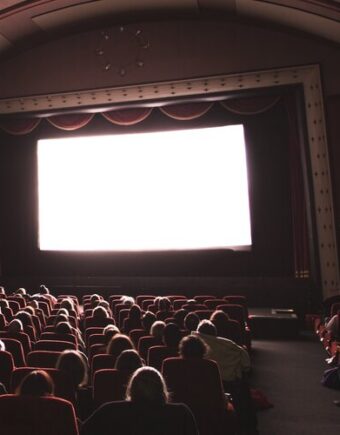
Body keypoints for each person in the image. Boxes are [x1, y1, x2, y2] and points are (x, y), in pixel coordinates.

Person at [81, 366, 199, 435]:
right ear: (161, 388)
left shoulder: (109, 410)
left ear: (132, 388)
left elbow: (84, 431)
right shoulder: (181, 413)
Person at [193, 319, 257, 435]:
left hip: (198, 388)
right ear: (215, 334)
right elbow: (247, 367)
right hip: (228, 386)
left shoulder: (191, 345)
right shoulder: (231, 346)